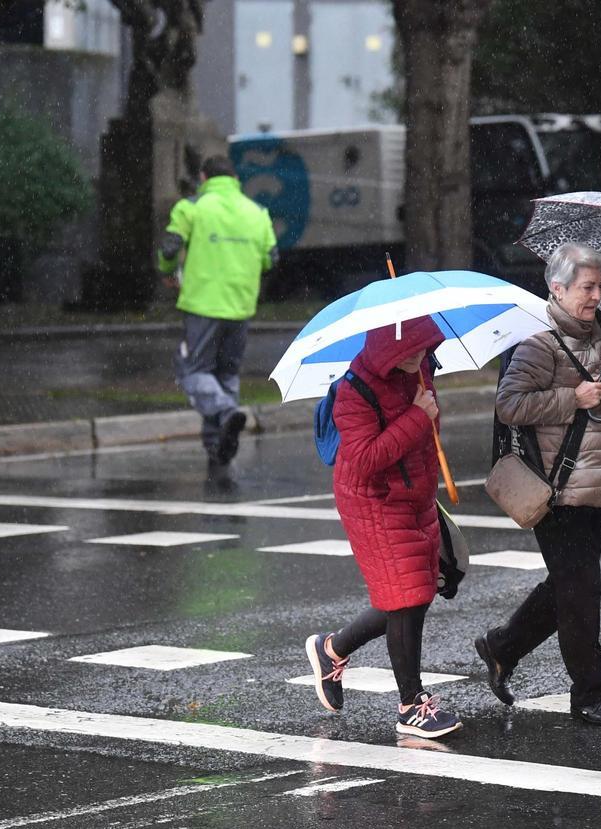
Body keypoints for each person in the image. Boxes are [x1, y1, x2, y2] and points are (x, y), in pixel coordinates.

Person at [474, 242, 601, 727]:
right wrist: (573, 396)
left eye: (600, 287)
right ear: (558, 288)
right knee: (582, 590)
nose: (597, 296)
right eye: (588, 287)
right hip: (556, 489)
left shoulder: (599, 335)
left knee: (570, 585)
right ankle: (590, 694)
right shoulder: (538, 341)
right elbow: (510, 404)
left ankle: (502, 646)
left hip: (596, 485)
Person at [303, 317, 462, 739]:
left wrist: (425, 418)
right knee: (406, 595)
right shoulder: (354, 390)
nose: (416, 357)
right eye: (407, 351)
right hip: (373, 499)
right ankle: (411, 705)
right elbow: (365, 459)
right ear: (387, 348)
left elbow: (424, 435)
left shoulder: (421, 368)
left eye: (422, 348)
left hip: (414, 494)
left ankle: (331, 649)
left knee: (415, 592)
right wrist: (417, 416)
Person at [157, 155, 277, 487]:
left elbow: (169, 248)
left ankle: (225, 412)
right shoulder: (257, 212)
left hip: (203, 304)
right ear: (235, 179)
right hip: (241, 306)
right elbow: (271, 259)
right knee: (226, 373)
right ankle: (218, 448)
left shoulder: (193, 207)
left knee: (192, 371)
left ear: (203, 177)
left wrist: (168, 271)